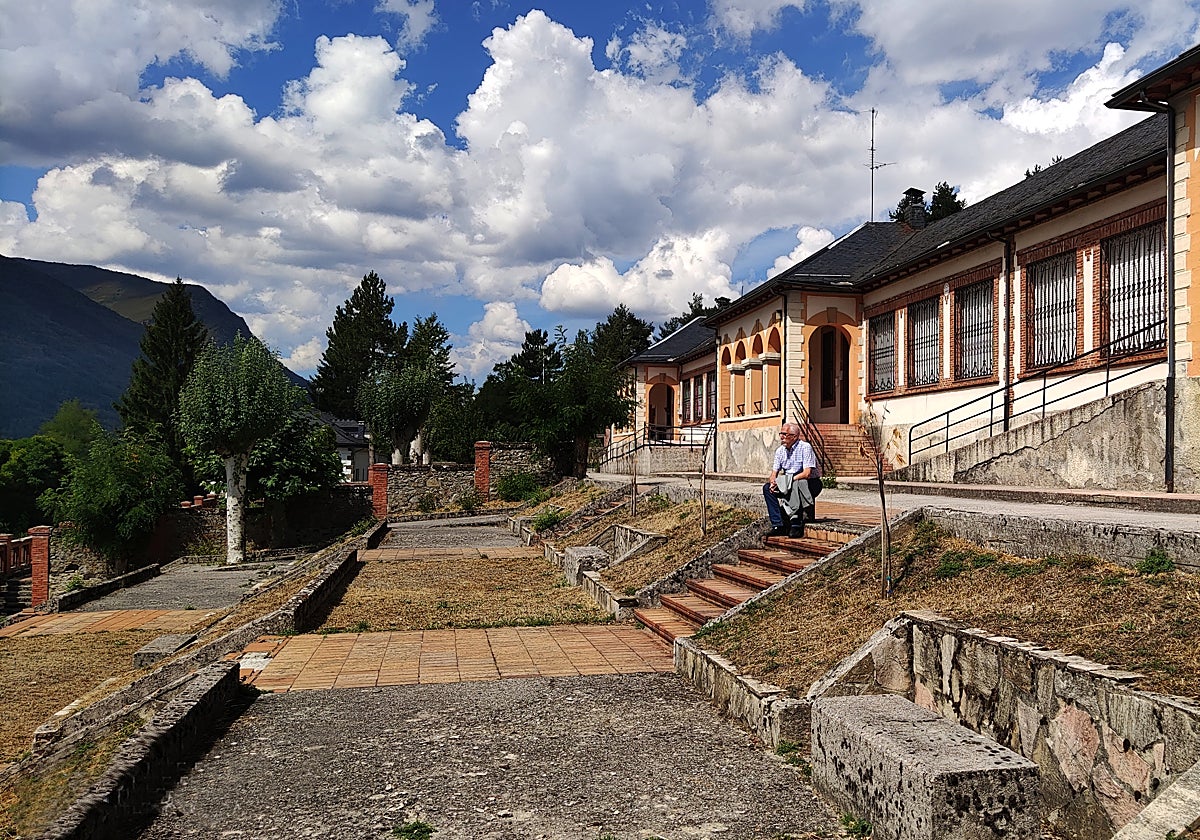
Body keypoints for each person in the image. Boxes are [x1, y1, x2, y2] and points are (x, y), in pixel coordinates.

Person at [763, 422, 822, 538]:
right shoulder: (780, 451)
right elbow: (774, 473)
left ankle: (796, 523)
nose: (781, 437)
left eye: (785, 434)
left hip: (810, 483)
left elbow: (807, 473)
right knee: (767, 489)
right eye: (781, 434)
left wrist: (788, 480)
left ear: (794, 436)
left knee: (797, 483)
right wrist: (773, 482)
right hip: (790, 482)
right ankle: (777, 524)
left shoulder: (805, 447)